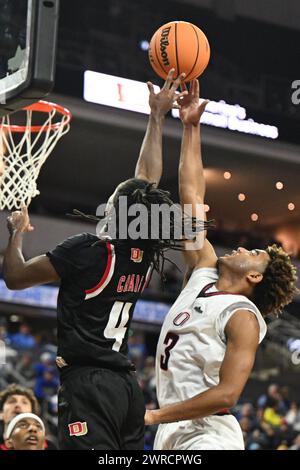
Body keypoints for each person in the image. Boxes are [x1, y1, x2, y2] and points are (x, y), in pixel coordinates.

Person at [3, 70, 190, 450]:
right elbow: (146, 181)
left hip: (89, 385)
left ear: (117, 211)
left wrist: (16, 232)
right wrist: (156, 118)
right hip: (126, 388)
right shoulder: (142, 253)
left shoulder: (87, 250)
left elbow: (16, 277)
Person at [145, 79, 298, 450]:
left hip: (209, 433)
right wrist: (190, 126)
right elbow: (193, 196)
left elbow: (228, 394)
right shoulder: (203, 270)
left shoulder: (242, 316)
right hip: (173, 429)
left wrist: (151, 416)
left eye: (254, 254)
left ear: (255, 276)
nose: (243, 249)